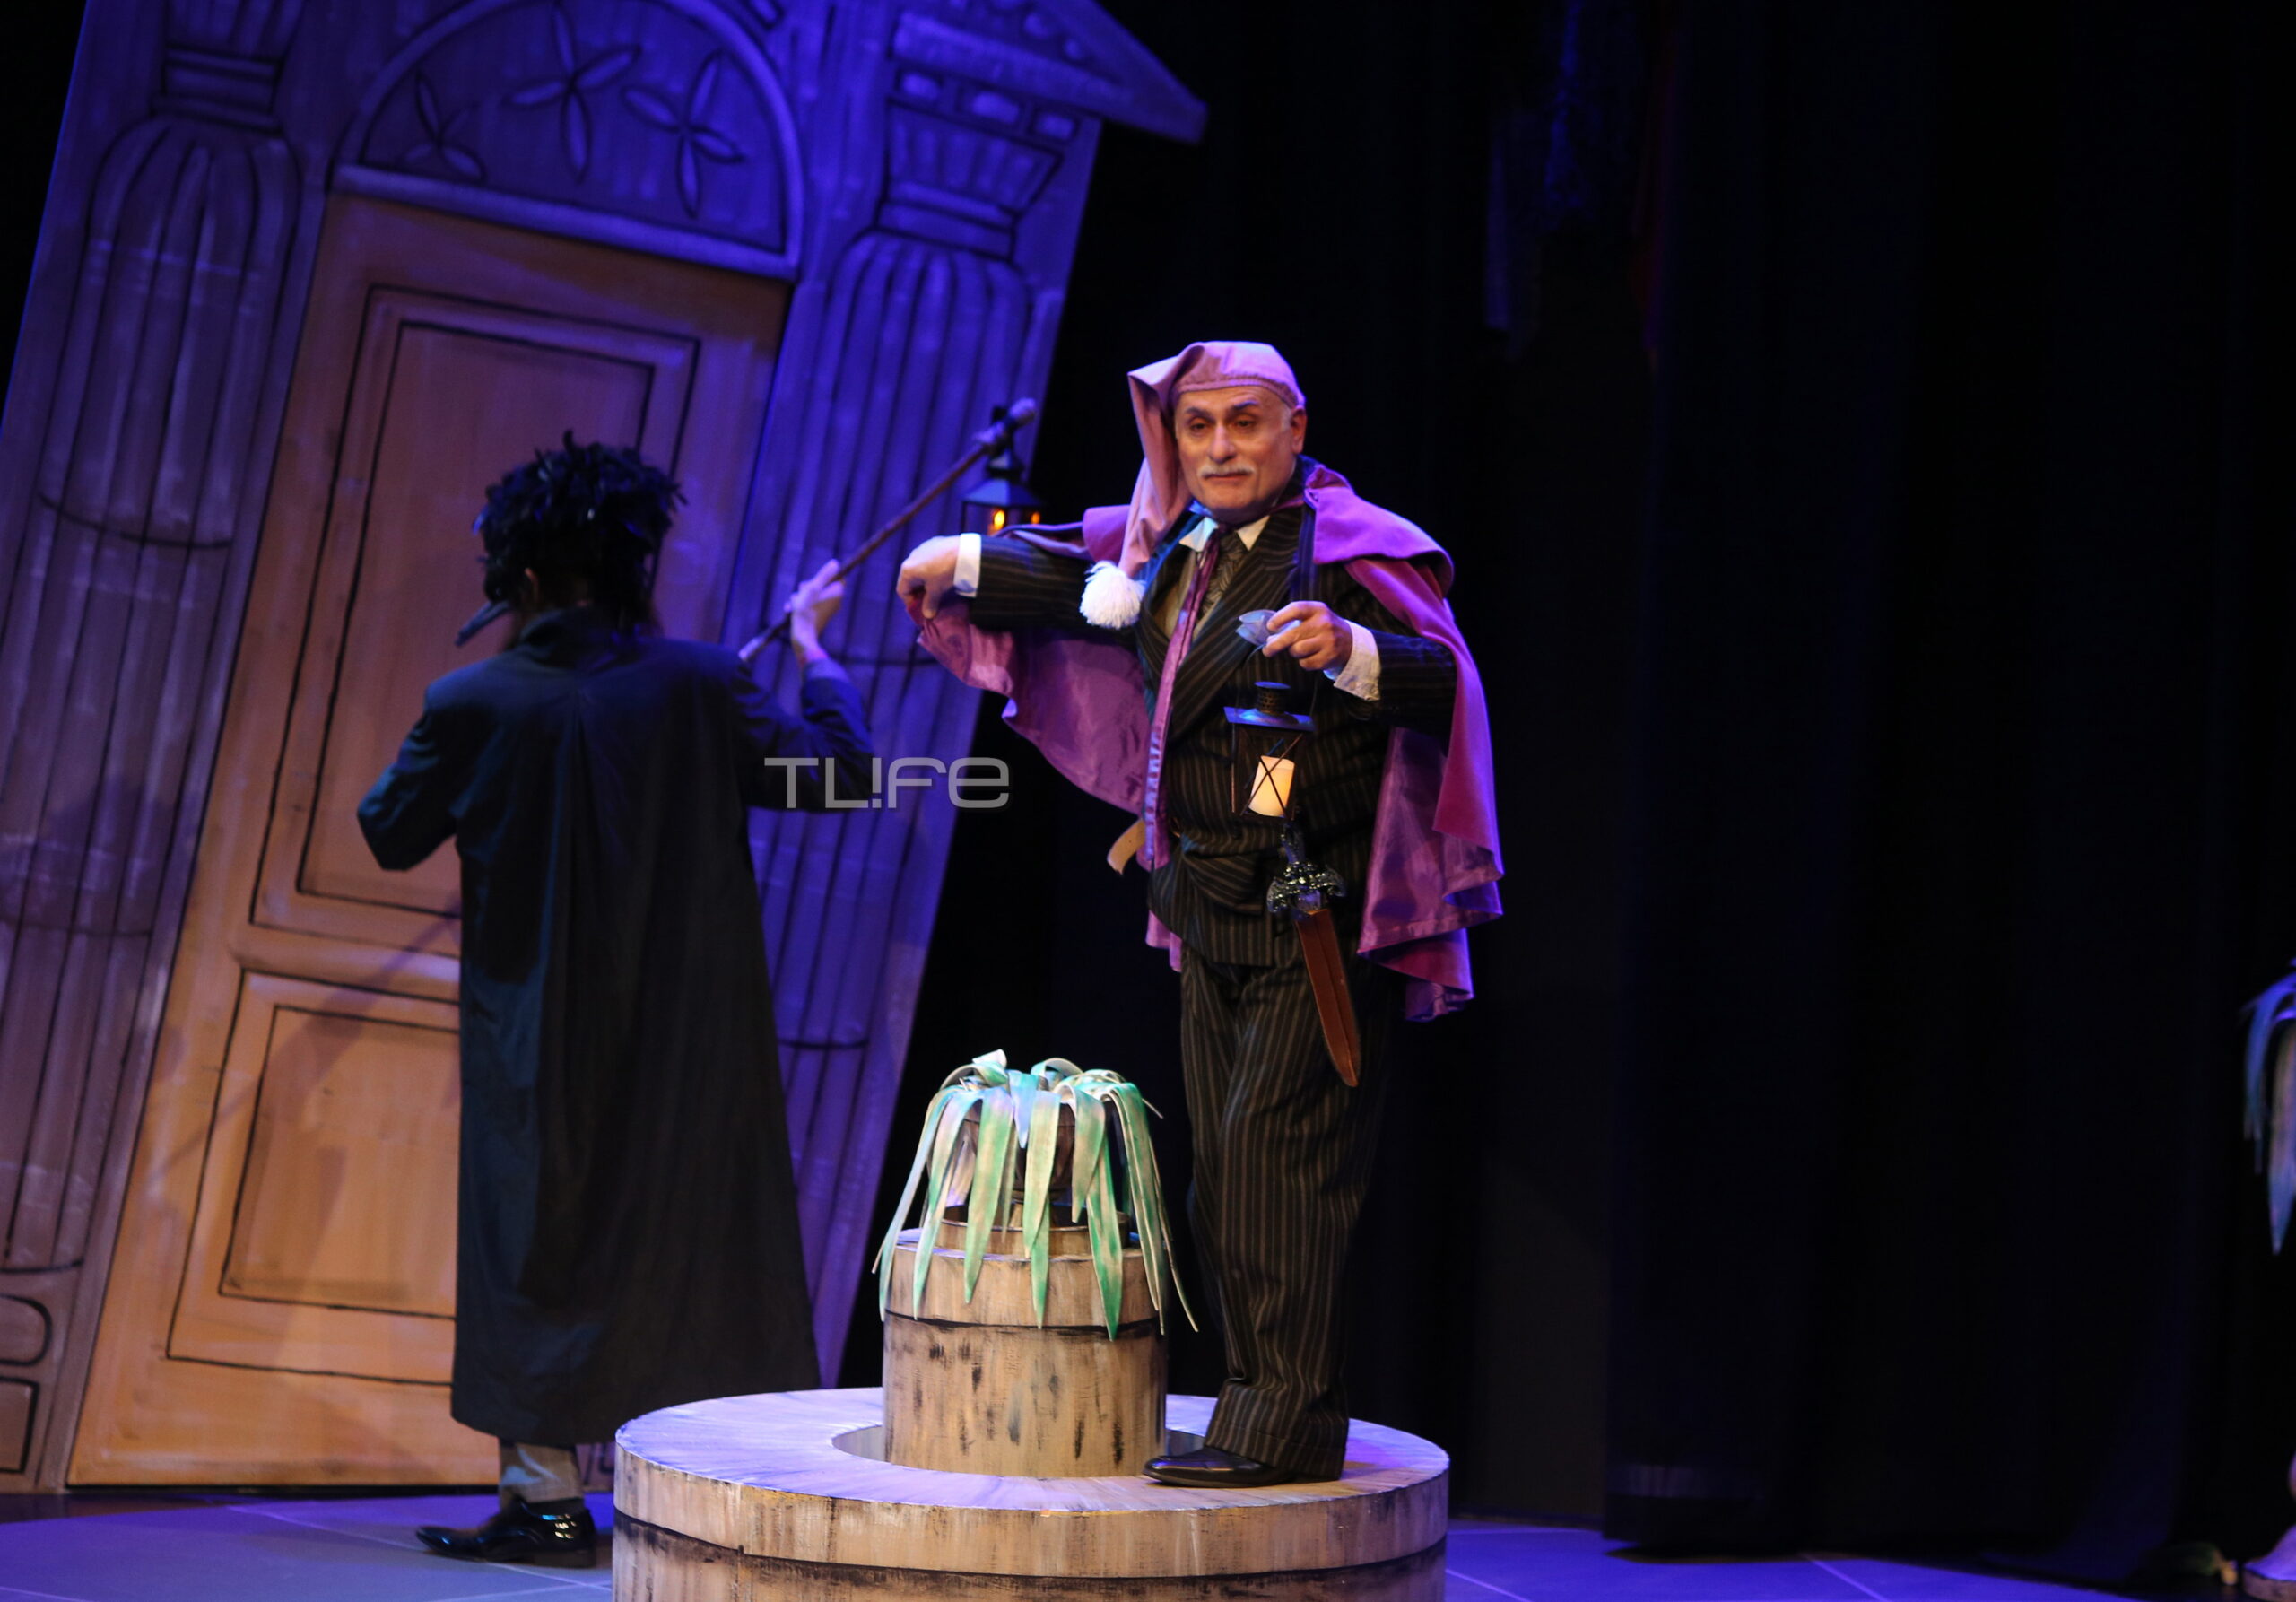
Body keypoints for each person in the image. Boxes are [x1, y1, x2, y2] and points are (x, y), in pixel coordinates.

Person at [897, 341, 1500, 1487]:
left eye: (1244, 422)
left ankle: (1284, 1425)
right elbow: (1074, 575)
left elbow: (1446, 680)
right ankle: (1255, 1404)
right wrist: (958, 558)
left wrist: (1355, 650)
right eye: (1197, 426)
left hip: (1309, 913)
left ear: (1294, 428)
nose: (1220, 447)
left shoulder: (1349, 550)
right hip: (1206, 900)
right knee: (1222, 1180)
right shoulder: (1179, 546)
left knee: (1282, 1171)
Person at [358, 439, 870, 1566]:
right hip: (686, 1043)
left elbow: (387, 829)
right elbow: (844, 771)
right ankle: (706, 1492)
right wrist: (813, 648)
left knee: (535, 1243)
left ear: (521, 574)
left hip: (534, 1040)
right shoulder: (701, 683)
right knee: (679, 1243)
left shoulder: (471, 700)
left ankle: (545, 1500)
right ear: (636, 567)